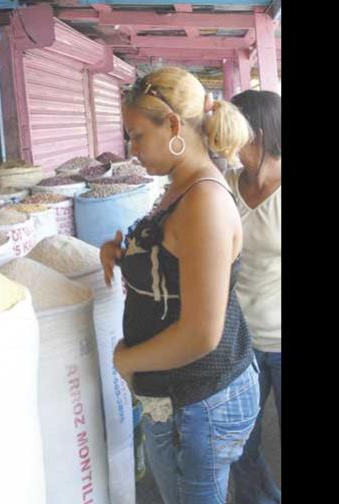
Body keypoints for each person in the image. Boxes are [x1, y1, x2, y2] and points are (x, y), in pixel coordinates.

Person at [101, 66, 259, 504]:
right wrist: (125, 255)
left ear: (172, 125)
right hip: (185, 398)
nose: (131, 150)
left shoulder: (203, 201)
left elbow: (200, 334)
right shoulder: (180, 187)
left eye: (136, 136)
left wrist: (127, 359)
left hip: (199, 402)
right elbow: (172, 259)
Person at [226, 90, 282, 504]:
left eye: (234, 131)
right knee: (240, 444)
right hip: (239, 341)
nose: (225, 141)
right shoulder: (224, 185)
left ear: (258, 134)